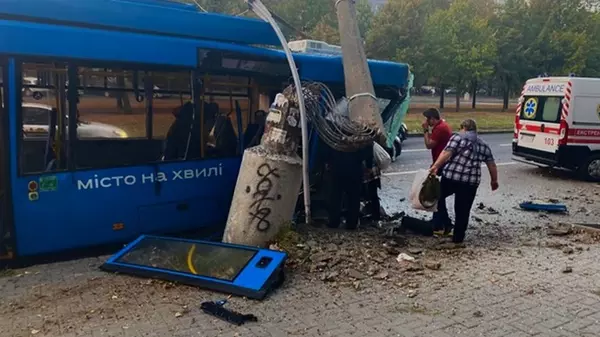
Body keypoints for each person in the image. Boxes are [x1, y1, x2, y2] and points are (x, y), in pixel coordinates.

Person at [429, 119, 499, 245]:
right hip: (470, 182)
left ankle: (445, 222)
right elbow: (491, 165)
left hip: (452, 177)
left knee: (437, 196)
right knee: (463, 210)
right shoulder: (483, 144)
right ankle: (458, 239)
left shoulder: (457, 137)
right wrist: (494, 181)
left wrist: (435, 166)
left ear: (463, 127)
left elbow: (446, 152)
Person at [421, 108, 452, 235]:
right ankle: (437, 222)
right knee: (437, 194)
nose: (427, 122)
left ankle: (444, 224)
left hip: (441, 164)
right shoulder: (442, 126)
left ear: (433, 118)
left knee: (437, 195)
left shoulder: (439, 129)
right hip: (440, 163)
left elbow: (429, 145)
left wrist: (425, 130)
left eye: (428, 119)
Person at [362, 144, 381, 222]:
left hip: (367, 169)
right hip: (372, 168)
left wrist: (369, 167)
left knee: (371, 194)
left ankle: (375, 216)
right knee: (373, 194)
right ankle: (376, 216)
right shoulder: (369, 135)